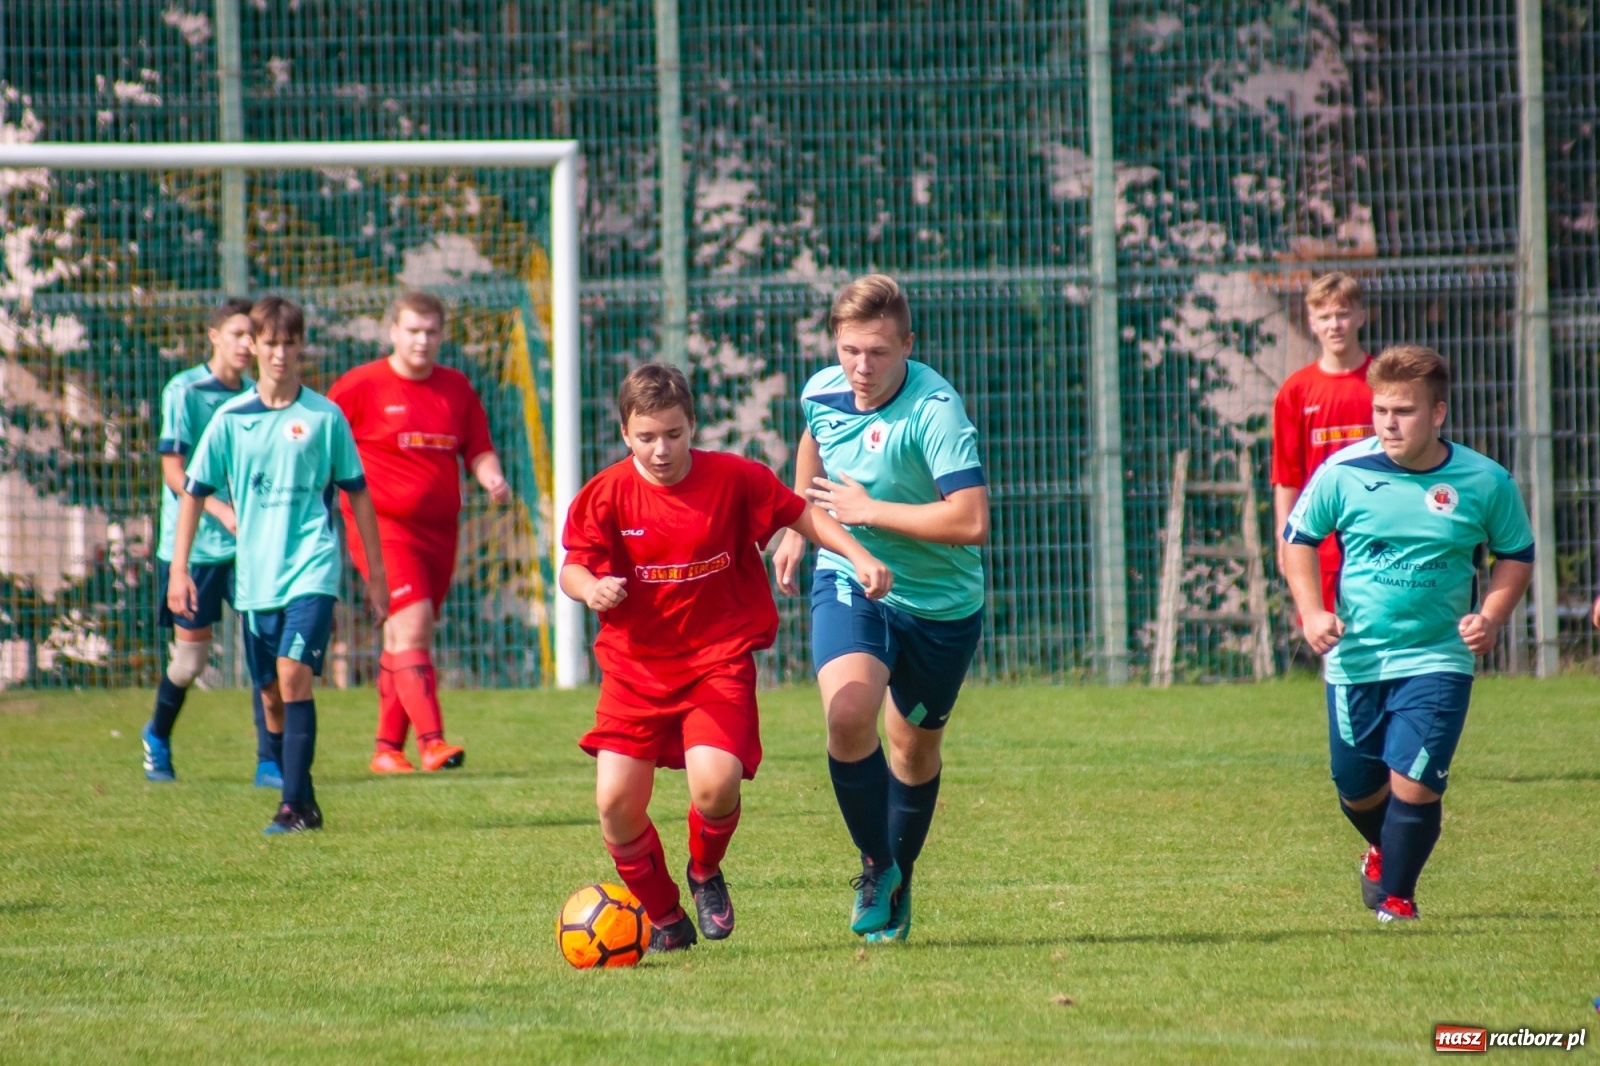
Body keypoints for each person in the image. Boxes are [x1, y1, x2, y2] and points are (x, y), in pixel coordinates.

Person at [560, 363, 892, 953]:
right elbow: (572, 567)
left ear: (692, 425)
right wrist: (590, 589)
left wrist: (858, 555)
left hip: (717, 662)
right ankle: (665, 918)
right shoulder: (605, 495)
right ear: (624, 433)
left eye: (673, 434)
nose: (661, 450)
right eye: (646, 437)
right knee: (615, 805)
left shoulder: (734, 479)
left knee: (716, 786)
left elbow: (801, 514)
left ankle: (705, 871)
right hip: (635, 670)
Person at [772, 274, 989, 944]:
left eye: (877, 352)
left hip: (941, 605)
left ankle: (900, 874)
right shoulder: (821, 390)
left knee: (912, 748)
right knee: (847, 716)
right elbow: (814, 440)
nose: (860, 368)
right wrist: (797, 521)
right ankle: (876, 866)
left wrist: (871, 510)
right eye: (848, 350)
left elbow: (971, 520)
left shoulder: (936, 410)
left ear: (908, 346)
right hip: (851, 576)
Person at [1283, 346, 1533, 922]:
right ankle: (1384, 849)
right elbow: (1298, 540)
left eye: (1404, 411)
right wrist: (1312, 613)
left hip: (1438, 656)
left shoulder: (1484, 480)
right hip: (1357, 658)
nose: (1389, 423)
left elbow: (1516, 554)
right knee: (1356, 787)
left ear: (1438, 413)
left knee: (1415, 784)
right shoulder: (1343, 473)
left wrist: (1491, 616)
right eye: (1381, 411)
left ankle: (1397, 899)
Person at [169, 296, 390, 834]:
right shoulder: (230, 419)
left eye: (290, 343)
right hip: (256, 579)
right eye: (270, 343)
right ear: (254, 345)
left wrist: (376, 576)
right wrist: (179, 569)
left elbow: (358, 493)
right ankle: (306, 802)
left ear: (301, 346)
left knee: (294, 676)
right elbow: (193, 492)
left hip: (312, 567)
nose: (280, 353)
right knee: (272, 696)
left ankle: (291, 807)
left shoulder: (323, 416)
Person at [328, 291, 510, 774]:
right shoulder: (360, 386)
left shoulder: (455, 388)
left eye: (431, 332)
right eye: (412, 330)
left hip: (440, 533)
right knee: (413, 625)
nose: (422, 341)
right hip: (382, 528)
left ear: (442, 335)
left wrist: (491, 476)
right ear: (393, 331)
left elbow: (478, 448)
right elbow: (318, 438)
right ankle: (432, 742)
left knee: (402, 637)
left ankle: (387, 750)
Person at [144, 297, 280, 788]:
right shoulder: (185, 391)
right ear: (214, 335)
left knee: (265, 654)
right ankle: (157, 734)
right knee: (190, 662)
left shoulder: (256, 395)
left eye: (253, 336)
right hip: (196, 549)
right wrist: (220, 510)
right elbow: (173, 472)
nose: (246, 344)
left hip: (247, 549)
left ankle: (270, 760)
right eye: (238, 334)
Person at [1272, 272, 1375, 605]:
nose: (1335, 325)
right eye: (1325, 316)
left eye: (1343, 314)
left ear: (1360, 316)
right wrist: (1285, 536)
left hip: (1381, 538)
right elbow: (1286, 474)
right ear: (1312, 323)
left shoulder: (1385, 382)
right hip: (1319, 544)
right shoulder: (1296, 391)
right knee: (1325, 632)